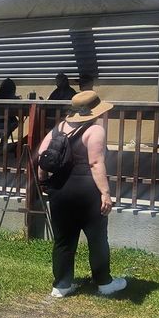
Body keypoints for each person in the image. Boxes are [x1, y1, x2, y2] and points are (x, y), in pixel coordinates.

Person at [37, 90, 127, 298]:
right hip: (86, 192)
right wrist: (105, 193)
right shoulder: (95, 130)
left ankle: (61, 285)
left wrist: (43, 181)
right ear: (95, 111)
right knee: (97, 239)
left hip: (59, 191)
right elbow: (95, 163)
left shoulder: (59, 128)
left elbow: (43, 155)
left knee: (63, 240)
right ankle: (104, 283)